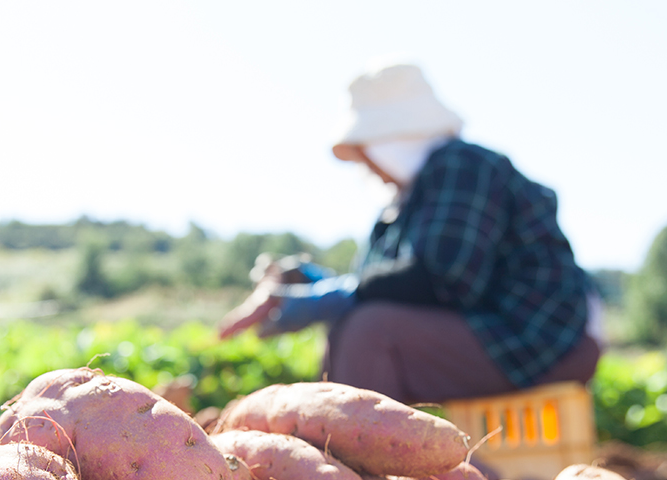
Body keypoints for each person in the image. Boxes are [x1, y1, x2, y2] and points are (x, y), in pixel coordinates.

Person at [217, 63, 603, 406]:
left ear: (389, 143)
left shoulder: (463, 165)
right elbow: (384, 283)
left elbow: (439, 278)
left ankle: (369, 473)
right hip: (502, 343)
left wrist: (324, 299)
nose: (368, 168)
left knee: (369, 330)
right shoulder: (406, 204)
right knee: (356, 323)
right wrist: (303, 281)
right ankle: (365, 463)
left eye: (367, 152)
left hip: (546, 344)